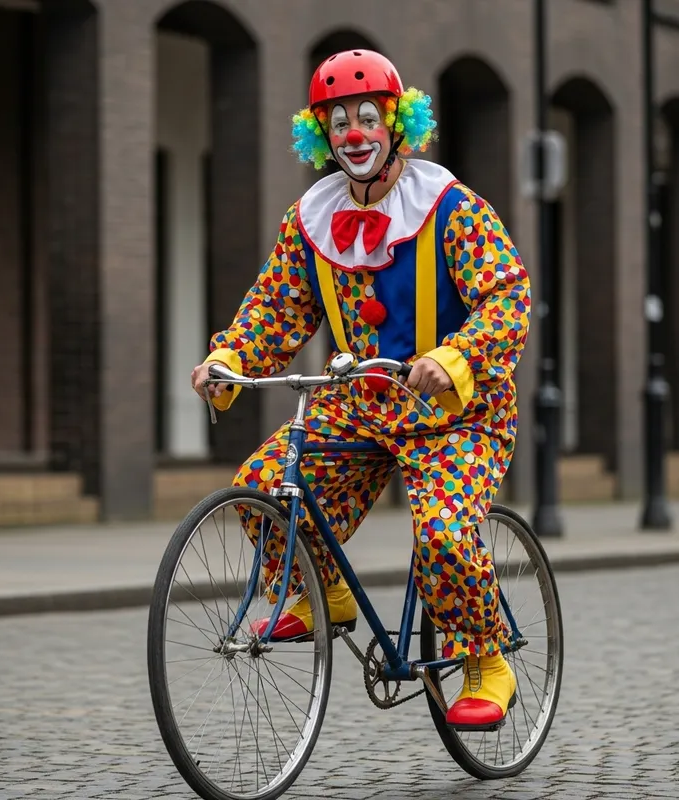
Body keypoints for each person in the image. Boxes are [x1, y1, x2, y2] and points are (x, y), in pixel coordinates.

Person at [190, 50, 531, 730]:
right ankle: (328, 596)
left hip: (456, 416)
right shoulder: (310, 219)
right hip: (360, 407)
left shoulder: (451, 207)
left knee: (442, 533)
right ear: (320, 134)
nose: (353, 133)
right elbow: (278, 308)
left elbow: (508, 297)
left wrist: (456, 357)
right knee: (262, 489)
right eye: (338, 121)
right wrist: (228, 357)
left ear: (397, 123)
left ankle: (485, 660)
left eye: (367, 117)